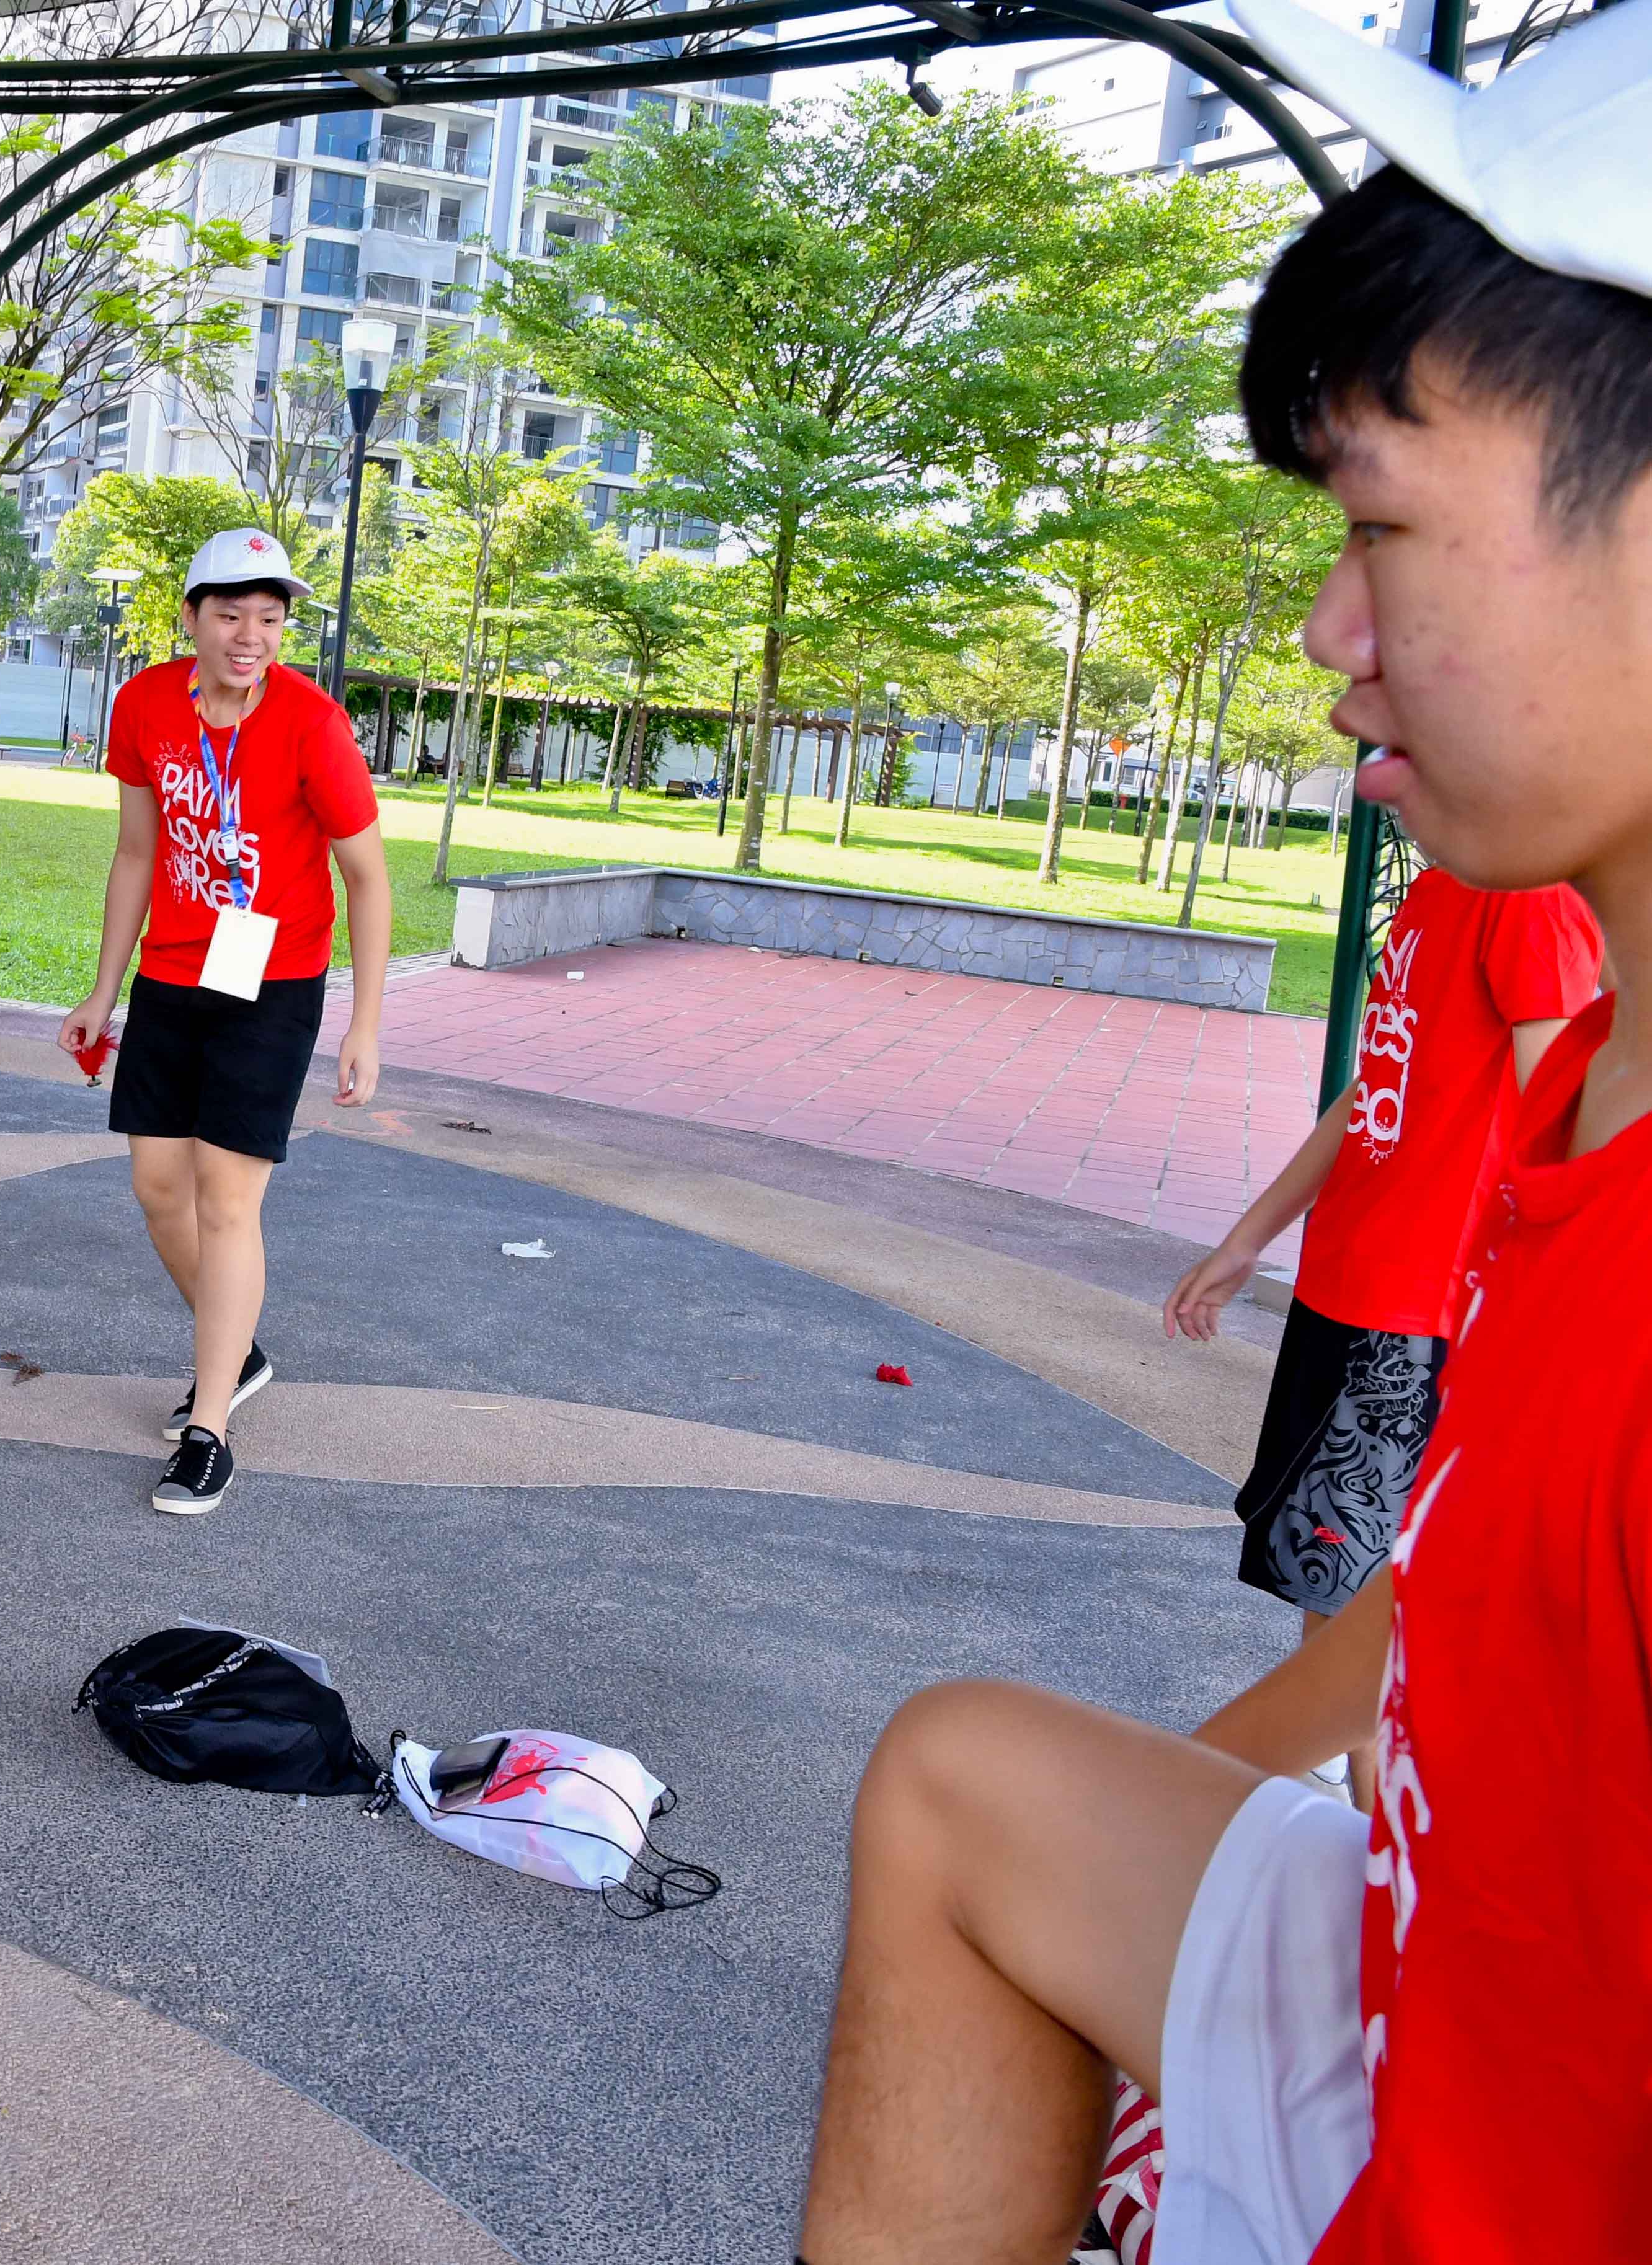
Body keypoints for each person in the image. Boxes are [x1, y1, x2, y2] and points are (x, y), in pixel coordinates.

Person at [794, 2, 1652, 2256]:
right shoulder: (1588, 1079)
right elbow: (1456, 1607)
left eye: (1380, 525)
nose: (1324, 630)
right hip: (1442, 2000)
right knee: (970, 1787)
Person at [1163, 864, 1596, 1807]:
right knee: (1331, 1578)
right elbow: (1373, 1091)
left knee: (1357, 1590)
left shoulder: (1529, 901)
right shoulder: (1438, 893)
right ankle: (1342, 1831)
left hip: (1417, 1308)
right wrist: (1248, 1241)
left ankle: (1274, 1823)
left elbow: (1553, 1134)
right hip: (1350, 1282)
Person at [56, 528, 389, 1515]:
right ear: (191, 617)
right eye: (231, 616)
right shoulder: (145, 704)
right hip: (173, 972)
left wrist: (364, 1024)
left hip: (272, 982)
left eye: (270, 620)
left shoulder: (312, 723)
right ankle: (234, 1350)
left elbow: (366, 879)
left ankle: (209, 1430)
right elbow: (134, 855)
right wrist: (101, 988)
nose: (251, 637)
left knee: (224, 1199)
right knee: (157, 1186)